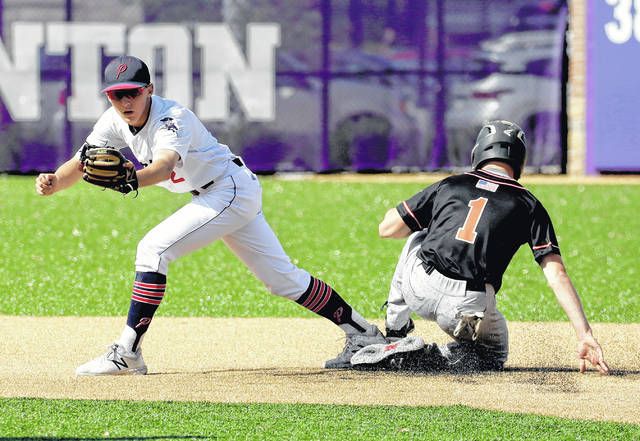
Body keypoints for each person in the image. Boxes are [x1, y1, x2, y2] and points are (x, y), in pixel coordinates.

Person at [35, 55, 386, 375]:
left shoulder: (173, 118)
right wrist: (54, 181)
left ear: (149, 90)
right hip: (228, 191)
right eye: (116, 94)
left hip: (227, 190)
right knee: (283, 279)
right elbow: (84, 159)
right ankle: (364, 334)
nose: (125, 101)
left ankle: (127, 353)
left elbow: (163, 167)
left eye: (132, 92)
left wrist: (130, 180)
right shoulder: (114, 120)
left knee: (153, 250)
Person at [350, 120, 610, 374]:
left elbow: (387, 229)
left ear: (479, 153)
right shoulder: (529, 205)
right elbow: (556, 274)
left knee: (418, 235)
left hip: (419, 289)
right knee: (492, 356)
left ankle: (395, 329)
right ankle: (432, 357)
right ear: (520, 161)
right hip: (466, 308)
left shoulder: (451, 184)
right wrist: (584, 334)